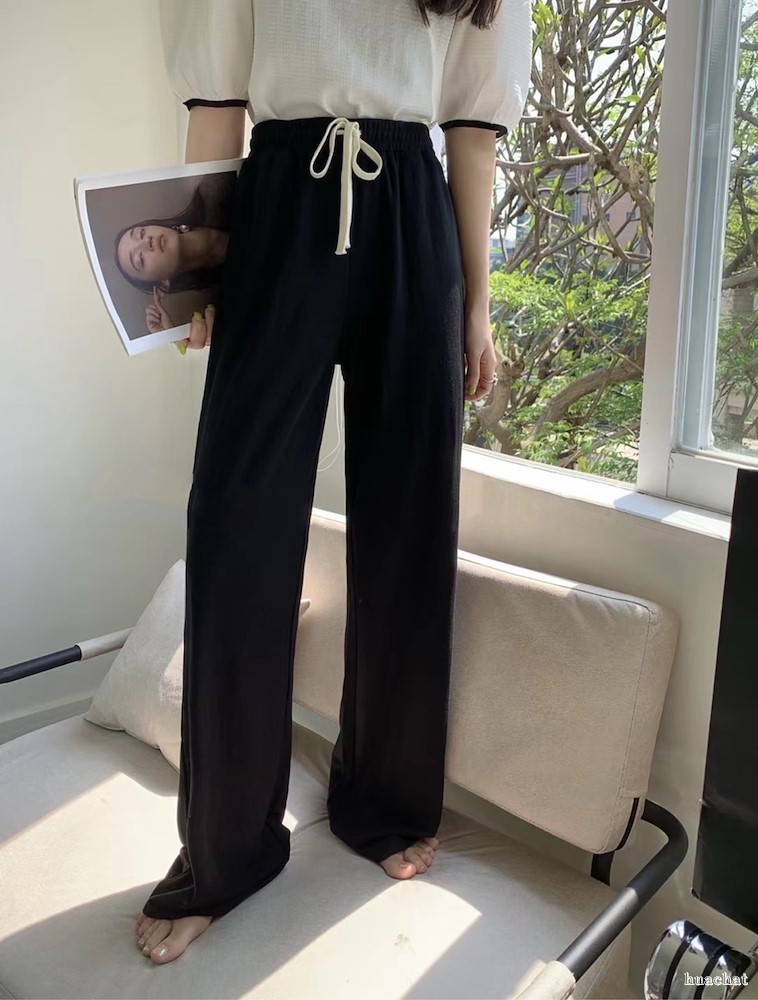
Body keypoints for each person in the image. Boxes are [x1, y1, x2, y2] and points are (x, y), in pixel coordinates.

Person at [135, 0, 532, 966]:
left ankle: (384, 800)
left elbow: (471, 125)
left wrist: (477, 300)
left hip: (413, 210)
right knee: (236, 526)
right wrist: (198, 276)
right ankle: (225, 852)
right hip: (279, 201)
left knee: (409, 523)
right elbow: (218, 100)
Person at [113, 171, 237, 340]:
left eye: (141, 233)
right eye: (140, 259)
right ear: (163, 284)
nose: (147, 241)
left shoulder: (216, 186)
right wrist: (175, 337)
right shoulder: (223, 303)